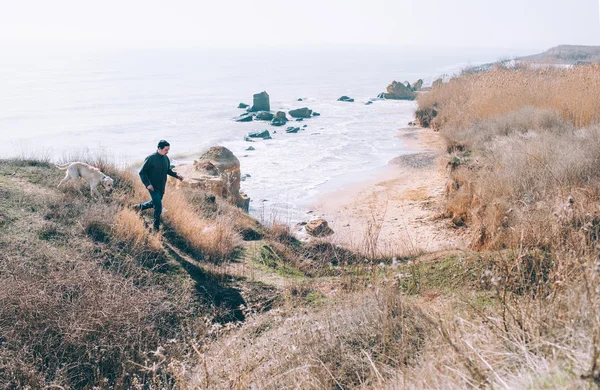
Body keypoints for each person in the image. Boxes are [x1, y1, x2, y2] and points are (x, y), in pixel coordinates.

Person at [136, 140, 184, 231]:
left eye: (168, 150)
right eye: (166, 150)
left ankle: (138, 207)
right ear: (159, 148)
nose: (167, 152)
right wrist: (148, 184)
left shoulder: (166, 158)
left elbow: (168, 170)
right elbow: (142, 172)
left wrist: (177, 175)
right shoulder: (151, 158)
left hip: (162, 186)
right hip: (152, 187)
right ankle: (155, 229)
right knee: (158, 207)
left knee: (154, 202)